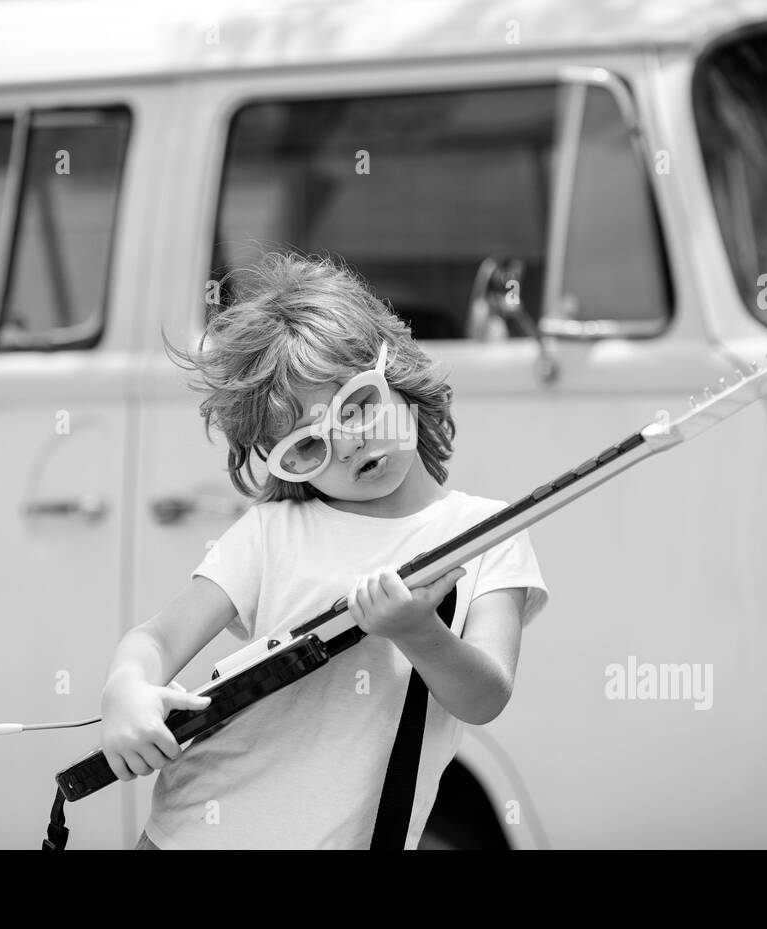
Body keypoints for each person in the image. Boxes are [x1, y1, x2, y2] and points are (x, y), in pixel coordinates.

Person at [100, 251, 549, 849]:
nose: (346, 445)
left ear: (399, 370)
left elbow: (485, 696)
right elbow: (155, 641)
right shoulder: (271, 532)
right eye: (307, 447)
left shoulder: (488, 532)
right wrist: (125, 690)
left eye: (358, 405)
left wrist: (420, 632)